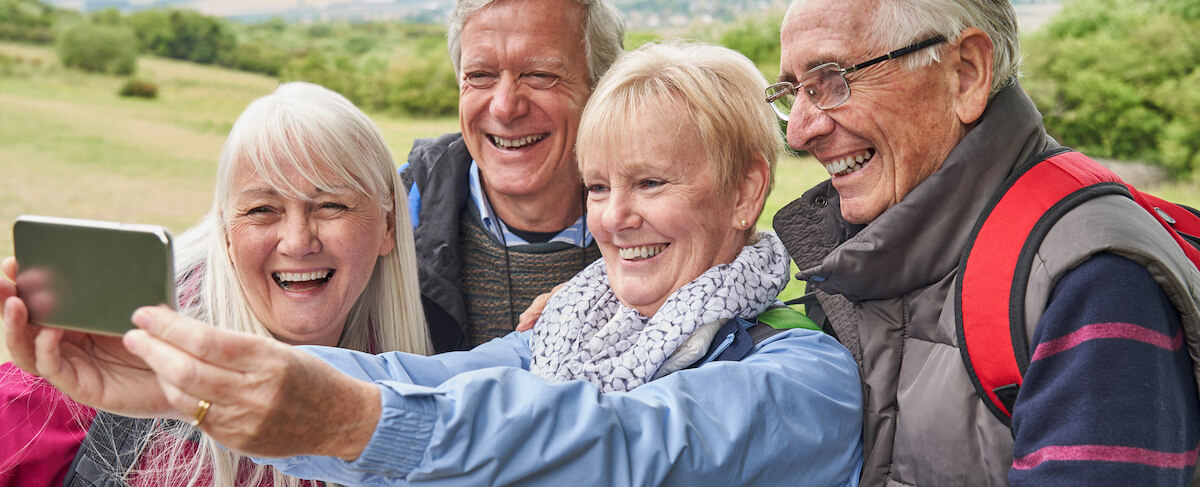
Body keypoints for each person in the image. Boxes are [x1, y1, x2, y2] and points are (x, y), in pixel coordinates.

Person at [4, 42, 864, 486]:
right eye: (597, 186)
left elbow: (621, 448)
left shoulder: (803, 378)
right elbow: (423, 377)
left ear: (748, 188)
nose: (613, 218)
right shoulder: (569, 330)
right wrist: (180, 383)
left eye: (650, 183)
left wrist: (351, 424)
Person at [768, 0, 1200, 485]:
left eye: (830, 81)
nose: (800, 131)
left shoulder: (1094, 280)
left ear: (966, 74)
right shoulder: (867, 248)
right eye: (792, 92)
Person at [0, 81, 432, 486]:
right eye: (262, 209)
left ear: (389, 226)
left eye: (331, 205)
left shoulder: (418, 398)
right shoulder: (97, 371)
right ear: (225, 235)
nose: (298, 242)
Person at [401, 0, 623, 351]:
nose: (504, 107)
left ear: (602, 89)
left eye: (539, 75)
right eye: (480, 76)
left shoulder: (666, 226)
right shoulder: (392, 212)